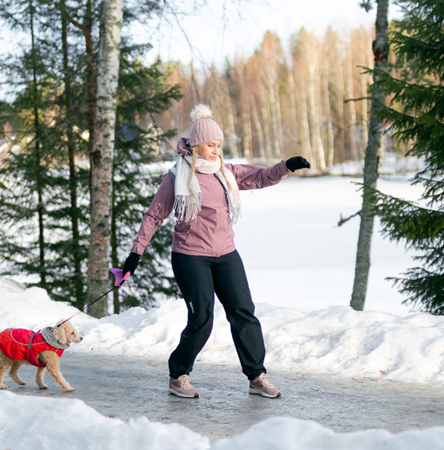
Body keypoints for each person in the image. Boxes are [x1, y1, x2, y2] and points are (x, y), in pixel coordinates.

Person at [119, 104, 310, 399]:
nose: (215, 150)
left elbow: (260, 177)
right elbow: (154, 216)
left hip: (226, 254)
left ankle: (256, 375)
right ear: (196, 144)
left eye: (219, 145)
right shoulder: (176, 177)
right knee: (202, 319)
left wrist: (285, 166)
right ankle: (178, 374)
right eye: (210, 145)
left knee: (243, 312)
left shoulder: (226, 172)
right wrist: (135, 254)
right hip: (190, 256)